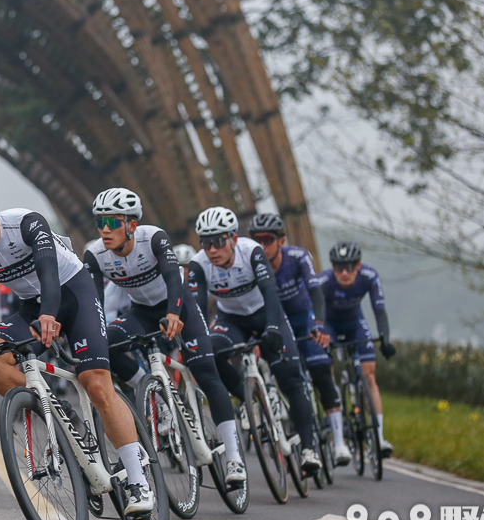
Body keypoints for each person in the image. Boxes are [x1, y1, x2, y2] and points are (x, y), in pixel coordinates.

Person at [0, 168, 154, 517]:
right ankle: (56, 410)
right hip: (33, 306)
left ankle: (137, 479)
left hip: (72, 295)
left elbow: (49, 274)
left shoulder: (26, 223)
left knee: (96, 383)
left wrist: (50, 314)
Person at [84, 188, 247, 487]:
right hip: (142, 312)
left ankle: (234, 457)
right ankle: (151, 393)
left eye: (112, 222)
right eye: (99, 223)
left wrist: (174, 313)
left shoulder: (153, 238)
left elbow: (175, 277)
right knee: (104, 344)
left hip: (180, 306)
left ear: (131, 224)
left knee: (207, 374)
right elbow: (94, 303)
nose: (104, 230)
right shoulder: (95, 255)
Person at [187, 206, 321, 474]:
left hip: (266, 315)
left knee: (291, 378)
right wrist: (195, 341)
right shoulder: (199, 264)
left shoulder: (251, 252)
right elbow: (198, 310)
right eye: (205, 242)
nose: (212, 249)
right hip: (231, 321)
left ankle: (309, 449)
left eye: (218, 241)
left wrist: (272, 327)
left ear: (233, 239)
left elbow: (271, 292)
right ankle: (247, 399)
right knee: (209, 352)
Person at [248, 214, 351, 466]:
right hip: (275, 322)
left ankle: (339, 443)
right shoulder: (248, 264)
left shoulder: (298, 258)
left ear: (281, 241)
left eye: (268, 239)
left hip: (303, 318)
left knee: (321, 372)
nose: (262, 245)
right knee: (287, 378)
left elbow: (315, 292)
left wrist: (319, 324)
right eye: (256, 240)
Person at [319, 240, 397, 457]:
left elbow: (379, 309)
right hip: (329, 325)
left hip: (355, 324)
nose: (344, 273)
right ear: (332, 267)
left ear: (359, 266)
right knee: (326, 368)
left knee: (369, 374)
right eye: (338, 268)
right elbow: (315, 314)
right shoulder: (323, 282)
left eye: (350, 267)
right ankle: (338, 434)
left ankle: (379, 438)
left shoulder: (369, 277)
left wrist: (385, 339)